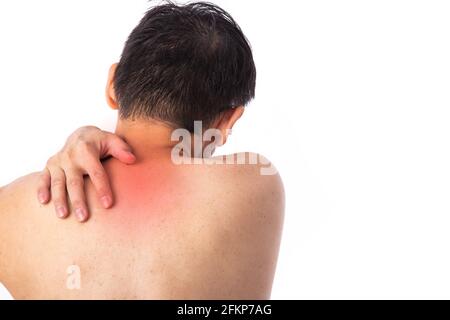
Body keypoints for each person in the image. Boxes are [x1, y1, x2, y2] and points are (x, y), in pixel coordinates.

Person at [0, 2, 284, 299]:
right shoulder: (256, 185)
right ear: (229, 120)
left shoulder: (13, 210)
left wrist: (82, 134)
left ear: (112, 84)